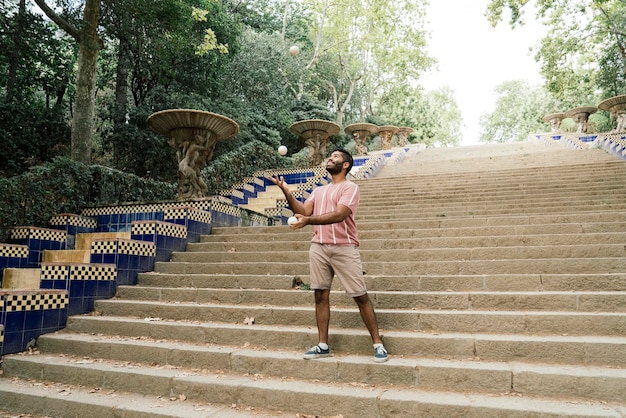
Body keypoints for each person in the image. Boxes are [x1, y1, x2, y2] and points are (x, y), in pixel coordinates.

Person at [270, 149, 388, 363]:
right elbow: (303, 212)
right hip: (319, 247)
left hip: (344, 247)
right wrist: (287, 192)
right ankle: (323, 345)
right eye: (330, 156)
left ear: (345, 165)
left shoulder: (351, 188)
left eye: (335, 157)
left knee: (360, 295)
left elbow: (340, 214)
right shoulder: (318, 191)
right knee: (320, 295)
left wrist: (309, 221)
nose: (330, 159)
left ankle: (378, 343)